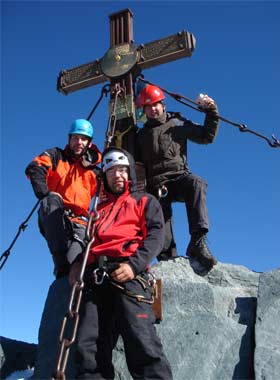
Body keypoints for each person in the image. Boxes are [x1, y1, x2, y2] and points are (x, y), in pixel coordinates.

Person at [69, 147, 173, 380]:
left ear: (130, 174)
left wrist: (134, 265)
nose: (118, 175)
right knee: (89, 347)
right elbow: (89, 242)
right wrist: (78, 264)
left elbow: (156, 235)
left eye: (123, 170)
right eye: (112, 171)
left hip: (129, 273)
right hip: (96, 277)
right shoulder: (97, 211)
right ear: (104, 176)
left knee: (141, 341)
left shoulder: (144, 201)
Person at [135, 84, 219, 269]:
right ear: (144, 110)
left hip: (178, 178)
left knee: (195, 183)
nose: (153, 109)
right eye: (148, 106)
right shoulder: (140, 136)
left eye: (156, 104)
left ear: (163, 105)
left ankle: (197, 241)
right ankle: (167, 259)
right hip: (155, 186)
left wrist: (211, 111)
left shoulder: (177, 123)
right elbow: (136, 165)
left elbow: (206, 136)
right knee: (159, 219)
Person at [25, 119, 102, 278]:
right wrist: (45, 194)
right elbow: (35, 168)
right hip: (56, 216)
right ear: (69, 139)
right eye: (75, 138)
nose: (78, 142)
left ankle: (64, 271)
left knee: (73, 268)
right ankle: (60, 263)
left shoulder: (94, 172)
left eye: (83, 138)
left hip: (80, 223)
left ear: (89, 142)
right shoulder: (56, 156)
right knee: (51, 199)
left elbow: (109, 195)